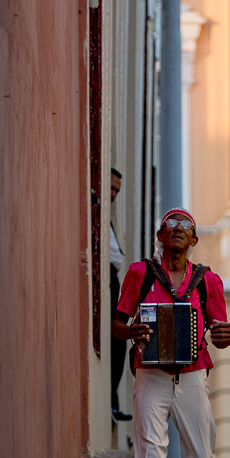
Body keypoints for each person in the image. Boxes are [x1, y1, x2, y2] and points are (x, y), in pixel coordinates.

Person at [112, 208, 230, 458]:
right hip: (151, 375)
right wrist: (130, 331)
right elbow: (118, 324)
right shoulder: (140, 274)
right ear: (160, 236)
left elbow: (220, 333)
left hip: (193, 374)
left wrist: (225, 335)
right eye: (171, 225)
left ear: (194, 240)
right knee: (151, 452)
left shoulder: (208, 281)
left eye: (186, 227)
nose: (178, 230)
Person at [110, 168, 132, 421]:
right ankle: (113, 402)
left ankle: (114, 400)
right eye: (112, 188)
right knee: (116, 339)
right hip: (108, 283)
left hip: (113, 284)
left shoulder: (110, 221)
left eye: (117, 190)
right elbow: (115, 257)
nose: (114, 194)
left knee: (118, 344)